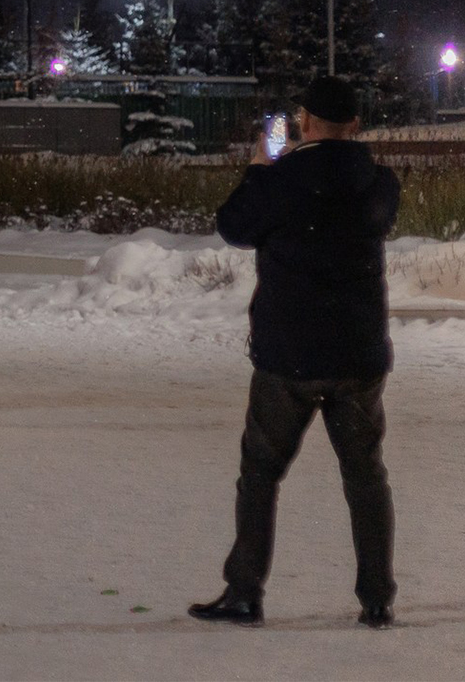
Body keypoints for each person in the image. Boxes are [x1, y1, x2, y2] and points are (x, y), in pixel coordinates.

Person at [190, 73, 401, 630]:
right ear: (355, 125)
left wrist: (259, 169)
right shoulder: (379, 183)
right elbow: (371, 216)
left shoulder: (280, 181)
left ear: (303, 123)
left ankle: (244, 592)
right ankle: (376, 598)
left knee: (260, 474)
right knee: (365, 475)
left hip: (289, 355)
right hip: (357, 354)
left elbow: (232, 227)